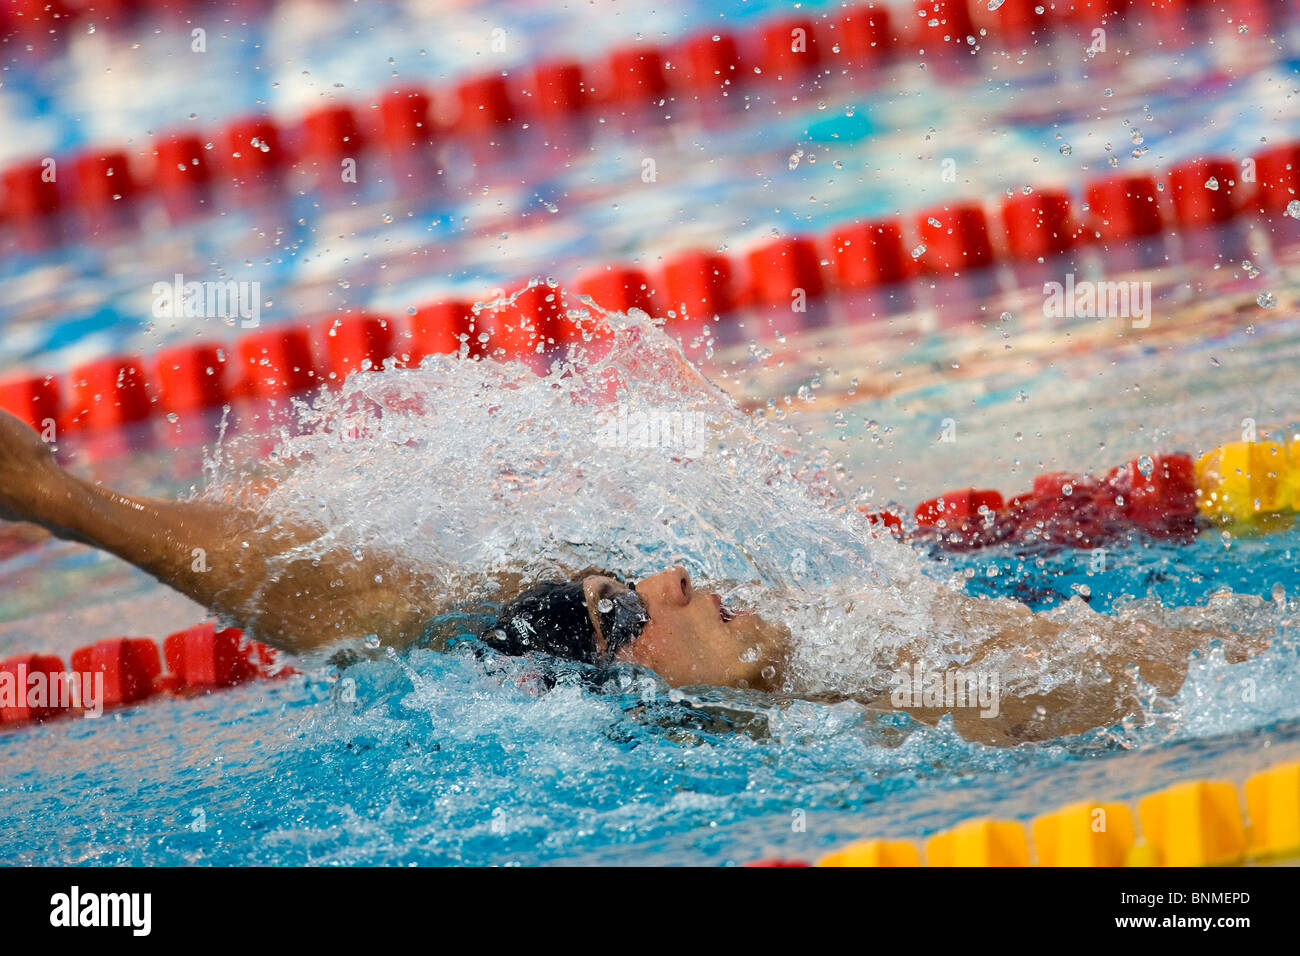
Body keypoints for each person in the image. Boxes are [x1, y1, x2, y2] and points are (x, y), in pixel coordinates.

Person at [0, 408, 1260, 744]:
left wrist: (87, 505)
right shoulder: (861, 729)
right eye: (628, 608)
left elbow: (400, 601)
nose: (668, 571)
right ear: (636, 684)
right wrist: (77, 508)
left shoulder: (813, 651)